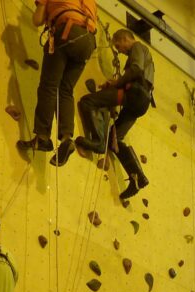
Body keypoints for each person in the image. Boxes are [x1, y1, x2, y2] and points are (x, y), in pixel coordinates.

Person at [72, 29, 155, 199]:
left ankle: (96, 141)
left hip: (135, 93)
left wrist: (116, 83)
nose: (120, 50)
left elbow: (136, 70)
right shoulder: (145, 56)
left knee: (87, 101)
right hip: (142, 102)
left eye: (118, 46)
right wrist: (115, 85)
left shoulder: (138, 47)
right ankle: (138, 178)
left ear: (125, 39)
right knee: (115, 139)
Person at [17, 0, 99, 166]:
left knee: (49, 86)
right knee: (66, 90)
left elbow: (37, 20)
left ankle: (42, 137)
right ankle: (67, 138)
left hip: (67, 31)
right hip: (88, 41)